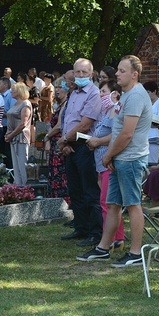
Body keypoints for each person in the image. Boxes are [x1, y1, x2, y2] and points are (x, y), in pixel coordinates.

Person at [77, 55, 152, 267]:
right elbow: (118, 131)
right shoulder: (126, 95)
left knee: (133, 205)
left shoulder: (136, 96)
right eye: (118, 70)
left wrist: (108, 155)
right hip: (120, 158)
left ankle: (136, 253)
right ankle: (103, 248)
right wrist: (109, 151)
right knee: (113, 205)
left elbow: (127, 134)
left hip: (131, 159)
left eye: (122, 71)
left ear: (134, 74)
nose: (117, 74)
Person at [76, 81, 125, 260]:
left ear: (115, 94)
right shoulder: (106, 112)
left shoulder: (115, 111)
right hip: (101, 161)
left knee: (107, 202)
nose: (101, 95)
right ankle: (117, 237)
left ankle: (111, 238)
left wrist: (98, 141)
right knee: (108, 201)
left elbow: (116, 135)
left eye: (104, 92)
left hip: (108, 161)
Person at [59, 58, 103, 248]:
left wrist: (65, 140)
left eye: (84, 73)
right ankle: (81, 227)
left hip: (85, 146)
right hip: (70, 146)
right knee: (75, 189)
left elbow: (85, 124)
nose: (81, 76)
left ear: (91, 74)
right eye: (78, 72)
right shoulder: (74, 93)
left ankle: (95, 232)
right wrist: (64, 143)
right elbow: (67, 120)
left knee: (89, 191)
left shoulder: (93, 93)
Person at [44, 80, 69, 201]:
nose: (57, 90)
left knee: (60, 174)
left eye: (60, 87)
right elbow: (50, 124)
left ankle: (62, 201)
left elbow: (59, 125)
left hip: (60, 143)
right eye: (56, 87)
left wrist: (47, 137)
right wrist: (48, 140)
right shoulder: (59, 105)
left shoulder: (66, 104)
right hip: (53, 142)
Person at [5, 83, 32, 186]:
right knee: (16, 166)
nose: (11, 92)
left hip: (21, 137)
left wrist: (11, 135)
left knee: (22, 164)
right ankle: (18, 187)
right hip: (12, 137)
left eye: (13, 90)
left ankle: (26, 187)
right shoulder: (15, 104)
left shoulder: (25, 104)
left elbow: (23, 124)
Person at [143, 81, 159, 165]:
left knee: (152, 163)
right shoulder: (145, 104)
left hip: (155, 138)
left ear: (154, 91)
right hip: (144, 138)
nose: (146, 95)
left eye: (148, 92)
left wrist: (146, 122)